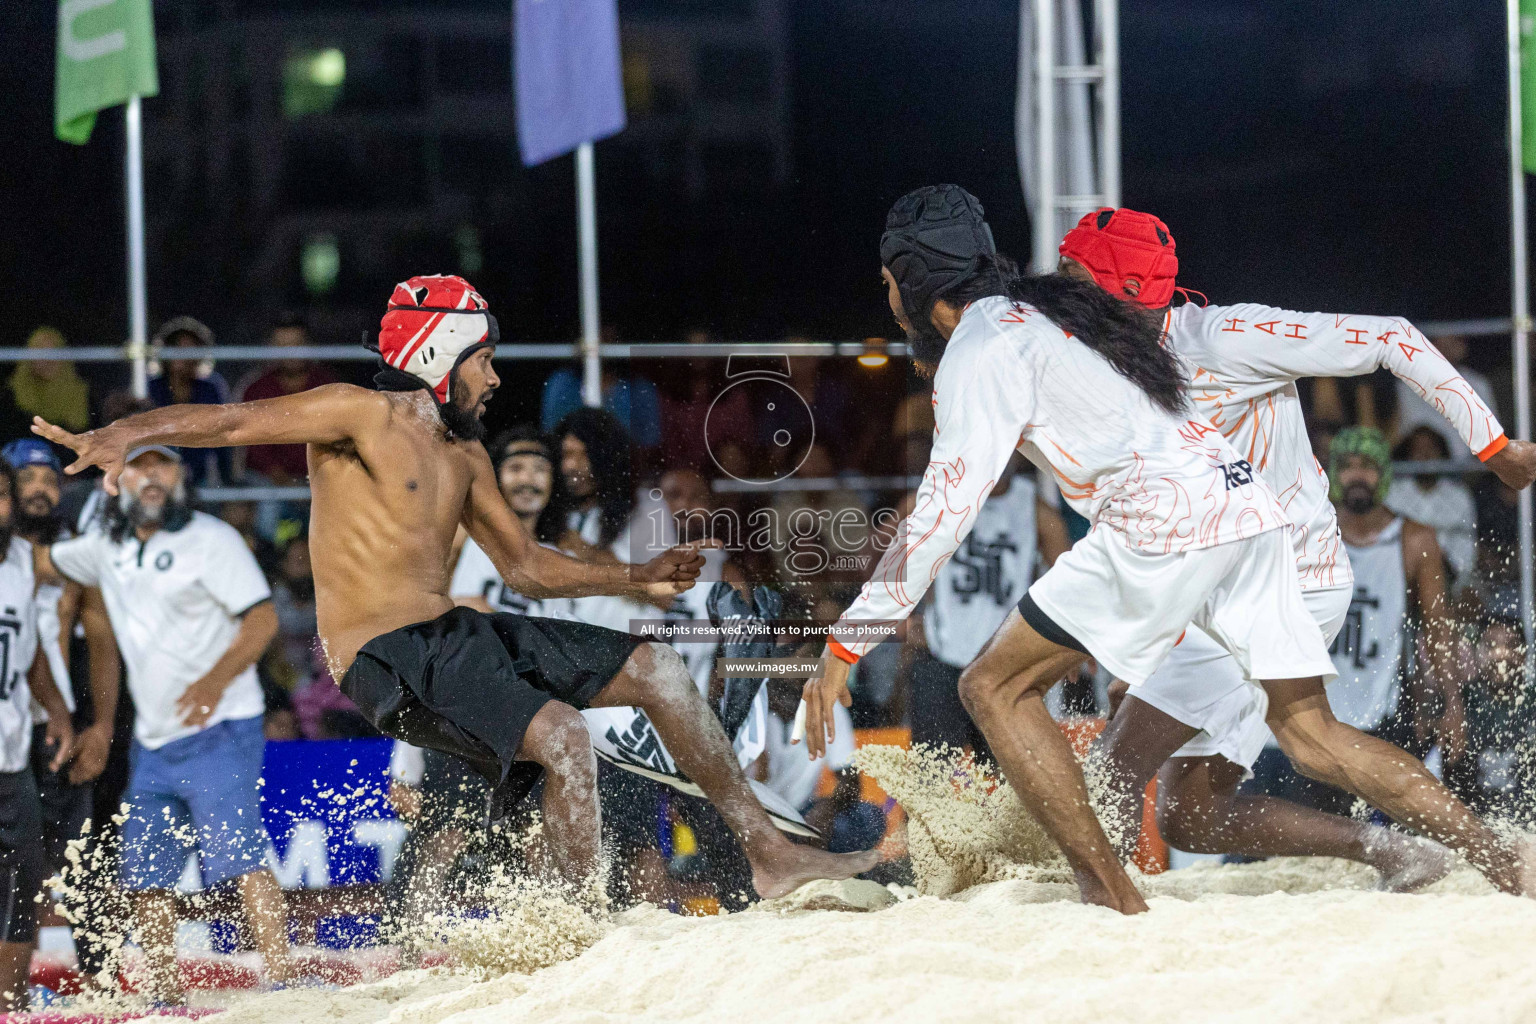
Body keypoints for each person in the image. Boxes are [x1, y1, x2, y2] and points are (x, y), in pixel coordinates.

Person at [802, 186, 1536, 914]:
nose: (1067, 289)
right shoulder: (1068, 328)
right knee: (1279, 755)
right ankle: (1495, 862)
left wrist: (846, 645)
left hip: (1221, 545)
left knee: (996, 689)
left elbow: (942, 511)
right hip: (1239, 522)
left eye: (1076, 278)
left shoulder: (1164, 337)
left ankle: (1113, 901)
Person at [34, 274, 877, 907]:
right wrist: (120, 437)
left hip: (455, 637)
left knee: (657, 669)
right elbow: (227, 424)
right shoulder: (356, 413)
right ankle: (579, 930)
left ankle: (769, 853)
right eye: (485, 358)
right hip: (382, 654)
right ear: (438, 352)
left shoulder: (467, 457)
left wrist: (635, 575)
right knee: (564, 736)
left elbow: (526, 570)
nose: (497, 378)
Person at [1053, 209, 1533, 884]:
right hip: (1225, 594)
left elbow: (1392, 337)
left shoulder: (1224, 338)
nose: (1057, 286)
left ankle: (1504, 860)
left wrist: (1495, 445)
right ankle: (1397, 852)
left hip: (1283, 584)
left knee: (1127, 770)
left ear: (1121, 287)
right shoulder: (1111, 367)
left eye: (1072, 273)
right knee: (1192, 814)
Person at [33, 445, 291, 1002]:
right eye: (139, 466)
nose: (152, 476)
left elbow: (263, 618)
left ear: (181, 477)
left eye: (164, 465)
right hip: (152, 741)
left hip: (221, 728)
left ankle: (285, 979)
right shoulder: (108, 547)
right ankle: (166, 995)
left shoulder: (211, 539)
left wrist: (214, 681)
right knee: (146, 876)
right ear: (118, 481)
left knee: (243, 860)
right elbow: (37, 562)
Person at [0, 440, 120, 964]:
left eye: (50, 480)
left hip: (52, 724)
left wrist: (101, 726)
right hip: (14, 720)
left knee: (79, 860)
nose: (40, 490)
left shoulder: (70, 557)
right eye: (26, 481)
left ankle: (100, 977)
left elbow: (102, 644)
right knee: (18, 868)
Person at [910, 454, 1068, 759]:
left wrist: (1069, 638)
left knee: (1010, 777)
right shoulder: (940, 497)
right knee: (929, 779)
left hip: (1005, 661)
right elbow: (887, 557)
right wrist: (910, 615)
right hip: (942, 655)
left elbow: (1069, 580)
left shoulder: (1033, 507)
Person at [0, 458, 76, 1011]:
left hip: (10, 751)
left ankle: (11, 1000)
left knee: (24, 878)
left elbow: (30, 660)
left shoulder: (25, 562)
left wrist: (60, 713)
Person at [238, 316, 337, 485]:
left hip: (321, 476)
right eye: (283, 346)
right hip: (270, 480)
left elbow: (338, 437)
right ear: (272, 348)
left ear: (309, 345)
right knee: (263, 493)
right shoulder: (257, 389)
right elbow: (255, 449)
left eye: (297, 345)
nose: (291, 353)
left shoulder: (328, 385)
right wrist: (283, 480)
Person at [1386, 425, 1478, 585]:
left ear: (1442, 453)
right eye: (1418, 449)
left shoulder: (1459, 496)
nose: (1425, 455)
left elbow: (1466, 549)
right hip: (1402, 578)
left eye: (1431, 448)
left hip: (1452, 579)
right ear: (1408, 455)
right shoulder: (1393, 493)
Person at [147, 317, 232, 486]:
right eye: (177, 348)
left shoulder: (210, 388)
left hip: (201, 473)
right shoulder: (151, 388)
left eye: (190, 349)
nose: (183, 356)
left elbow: (223, 436)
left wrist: (226, 478)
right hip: (159, 468)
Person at [10, 328, 89, 435]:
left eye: (53, 353)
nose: (47, 361)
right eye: (40, 354)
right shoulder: (11, 395)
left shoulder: (82, 394)